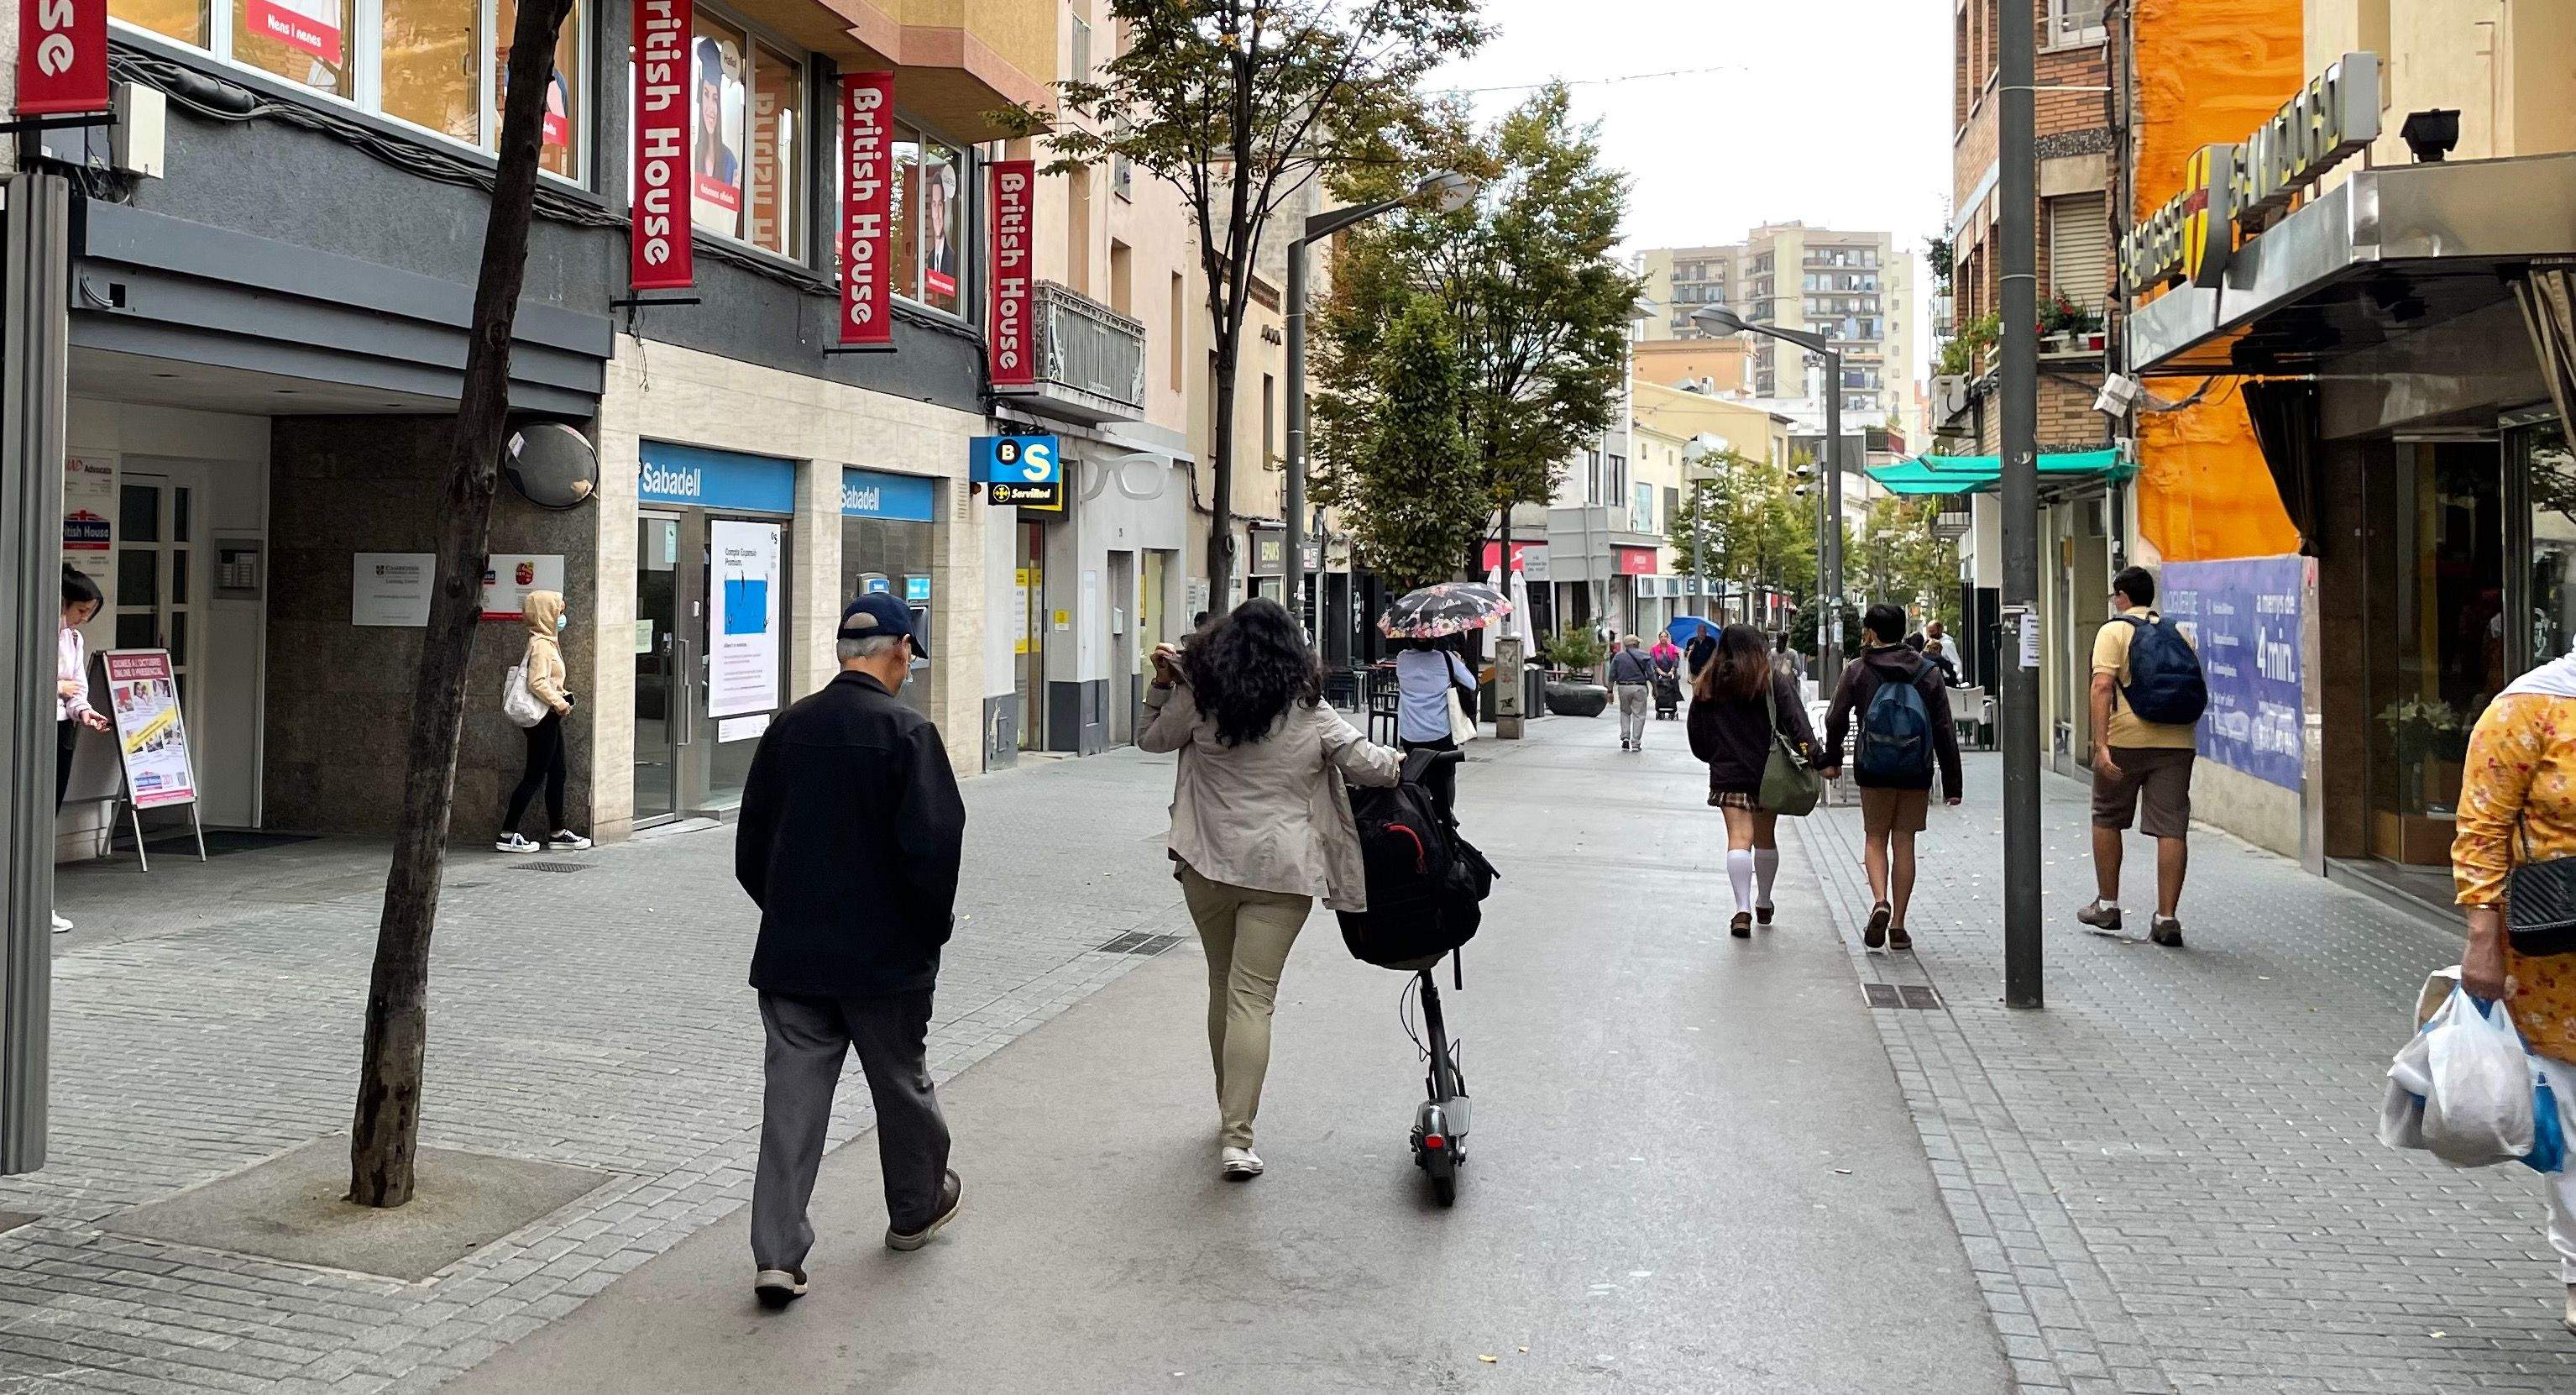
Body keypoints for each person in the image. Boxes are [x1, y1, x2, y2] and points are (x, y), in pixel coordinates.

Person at [736, 594, 967, 1309]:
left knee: (791, 1103)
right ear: (900, 649)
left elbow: (751, 849)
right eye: (911, 652)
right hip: (884, 964)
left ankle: (777, 1255)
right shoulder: (908, 732)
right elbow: (934, 853)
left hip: (795, 958)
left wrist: (791, 913)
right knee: (901, 1086)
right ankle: (915, 1209)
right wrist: (926, 934)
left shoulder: (788, 727)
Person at [1142, 599, 1400, 1180]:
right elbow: (1371, 766)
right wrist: (1399, 759)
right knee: (1252, 997)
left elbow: (1151, 740)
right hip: (1281, 873)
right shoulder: (1310, 711)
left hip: (1208, 865)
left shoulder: (1200, 699)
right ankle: (1237, 1137)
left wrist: (1161, 686)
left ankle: (1228, 1114)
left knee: (1222, 984)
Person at [2453, 639, 2576, 1336]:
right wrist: (2483, 936)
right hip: (2558, 955)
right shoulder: (2530, 706)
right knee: (2574, 1118)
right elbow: (2482, 829)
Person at [1820, 604, 1965, 952]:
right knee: (1904, 843)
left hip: (1874, 766)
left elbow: (1835, 718)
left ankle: (1880, 900)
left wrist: (1833, 759)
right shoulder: (1927, 671)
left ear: (1871, 632)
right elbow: (1944, 727)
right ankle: (1898, 926)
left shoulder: (1858, 669)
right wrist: (1953, 782)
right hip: (1915, 768)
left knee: (1875, 837)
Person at [2079, 566, 2202, 946]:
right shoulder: (2180, 632)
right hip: (2177, 741)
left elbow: (2102, 686)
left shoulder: (2113, 631)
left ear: (2122, 596)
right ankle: (2167, 917)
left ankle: (2108, 905)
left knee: (2107, 816)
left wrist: (2100, 744)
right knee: (2171, 827)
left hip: (2126, 741)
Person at [1686, 624, 1820, 937]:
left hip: (1728, 773)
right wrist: (1815, 757)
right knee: (1765, 837)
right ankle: (1764, 901)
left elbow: (1697, 735)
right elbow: (1796, 722)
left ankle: (1742, 909)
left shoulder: (1708, 681)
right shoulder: (1770, 680)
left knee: (1738, 838)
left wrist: (1714, 757)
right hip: (1767, 772)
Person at [495, 591, 590, 854]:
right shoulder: (541, 645)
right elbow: (536, 682)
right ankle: (507, 834)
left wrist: (562, 696)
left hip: (549, 716)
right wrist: (558, 702)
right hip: (543, 719)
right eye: (559, 611)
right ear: (546, 614)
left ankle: (557, 832)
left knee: (558, 773)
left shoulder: (548, 642)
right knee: (534, 776)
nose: (562, 617)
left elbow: (549, 681)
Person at [54, 568, 110, 935]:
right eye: (80, 611)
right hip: (33, 727)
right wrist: (58, 686)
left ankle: (42, 903)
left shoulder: (74, 639)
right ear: (62, 603)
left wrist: (85, 711)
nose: (83, 619)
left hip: (62, 728)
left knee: (50, 811)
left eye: (89, 613)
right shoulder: (36, 631)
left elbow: (78, 688)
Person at [1392, 636, 1480, 815]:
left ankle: (1421, 814)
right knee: (1446, 776)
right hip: (1441, 734)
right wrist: (1458, 662)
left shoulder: (1402, 659)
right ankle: (1448, 817)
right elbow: (1471, 683)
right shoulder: (1446, 658)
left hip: (1411, 734)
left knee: (1417, 776)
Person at [1606, 633, 1655, 752]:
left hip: (1623, 687)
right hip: (1639, 688)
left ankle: (1625, 737)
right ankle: (1636, 743)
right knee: (1639, 715)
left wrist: (1610, 691)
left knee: (1625, 712)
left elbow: (1612, 675)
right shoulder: (1645, 656)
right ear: (1636, 644)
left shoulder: (1618, 657)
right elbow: (1651, 674)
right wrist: (1655, 688)